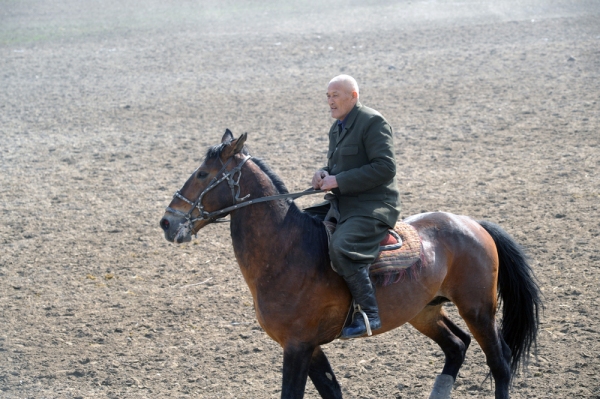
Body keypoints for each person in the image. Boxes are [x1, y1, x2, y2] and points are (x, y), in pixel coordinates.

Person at [311, 75, 401, 339]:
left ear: (354, 96)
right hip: (343, 204)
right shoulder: (337, 127)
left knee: (341, 247)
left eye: (335, 95)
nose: (330, 100)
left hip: (373, 206)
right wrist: (323, 173)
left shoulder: (373, 122)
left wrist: (337, 180)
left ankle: (369, 314)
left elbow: (385, 168)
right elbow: (340, 167)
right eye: (327, 95)